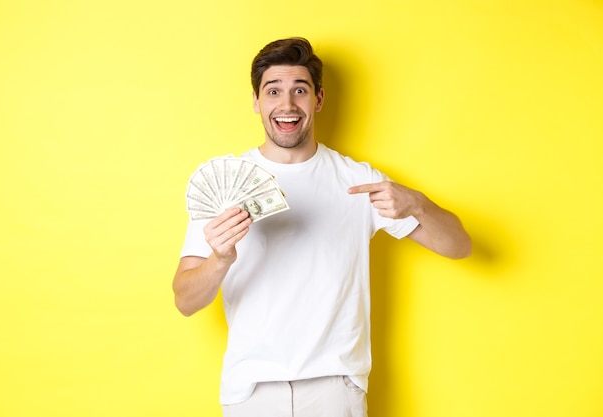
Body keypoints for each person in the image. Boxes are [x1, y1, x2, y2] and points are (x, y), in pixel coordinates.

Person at [173, 37, 472, 417]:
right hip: (251, 389)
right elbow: (185, 301)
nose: (287, 104)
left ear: (318, 99)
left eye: (300, 90)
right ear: (255, 101)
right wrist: (219, 258)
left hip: (335, 387)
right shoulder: (226, 184)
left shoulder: (357, 180)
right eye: (273, 91)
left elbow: (459, 245)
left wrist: (418, 204)